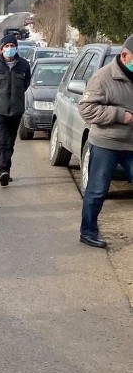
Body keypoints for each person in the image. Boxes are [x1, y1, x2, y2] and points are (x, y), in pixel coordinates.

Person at [77, 34, 133, 248]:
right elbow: (86, 109)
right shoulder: (103, 77)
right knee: (97, 190)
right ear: (124, 55)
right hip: (106, 143)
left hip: (132, 143)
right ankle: (88, 231)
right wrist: (120, 115)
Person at [0, 33, 31, 186]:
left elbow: (26, 84)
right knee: (1, 140)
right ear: (1, 49)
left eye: (12, 46)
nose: (10, 48)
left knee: (10, 142)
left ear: (16, 48)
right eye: (7, 46)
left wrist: (15, 97)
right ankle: (2, 170)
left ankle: (6, 171)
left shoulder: (24, 65)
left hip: (16, 110)